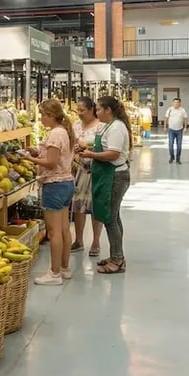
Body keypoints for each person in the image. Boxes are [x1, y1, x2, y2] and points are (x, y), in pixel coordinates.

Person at [24, 98, 75, 286]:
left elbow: (51, 163)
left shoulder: (55, 135)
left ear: (51, 116)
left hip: (54, 185)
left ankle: (54, 274)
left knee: (54, 232)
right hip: (67, 183)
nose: (41, 119)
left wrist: (30, 159)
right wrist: (38, 152)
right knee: (63, 230)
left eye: (42, 115)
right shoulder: (64, 132)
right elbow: (55, 157)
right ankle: (64, 268)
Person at [80, 96, 132, 275]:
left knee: (110, 219)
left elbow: (113, 154)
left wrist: (91, 156)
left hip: (115, 176)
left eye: (99, 109)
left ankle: (117, 260)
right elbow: (105, 149)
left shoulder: (117, 127)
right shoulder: (109, 126)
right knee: (113, 217)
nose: (97, 112)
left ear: (108, 110)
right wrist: (90, 150)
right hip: (108, 175)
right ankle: (117, 256)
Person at [71, 97, 103, 257]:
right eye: (78, 110)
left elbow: (104, 147)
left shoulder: (100, 126)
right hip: (79, 170)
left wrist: (86, 146)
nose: (79, 113)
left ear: (92, 109)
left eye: (82, 110)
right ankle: (78, 240)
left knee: (96, 206)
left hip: (96, 170)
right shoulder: (75, 125)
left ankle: (96, 242)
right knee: (78, 206)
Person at [164, 97, 188, 163]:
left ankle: (178, 158)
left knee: (179, 145)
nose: (176, 104)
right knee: (170, 144)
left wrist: (185, 127)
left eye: (177, 102)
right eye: (175, 102)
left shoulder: (182, 110)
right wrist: (165, 126)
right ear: (173, 103)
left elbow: (185, 119)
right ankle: (172, 157)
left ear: (180, 103)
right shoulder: (170, 109)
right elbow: (166, 118)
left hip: (179, 130)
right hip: (171, 129)